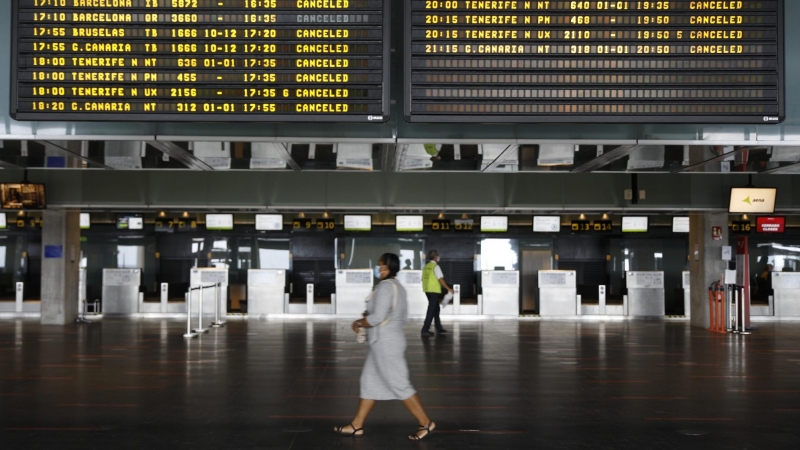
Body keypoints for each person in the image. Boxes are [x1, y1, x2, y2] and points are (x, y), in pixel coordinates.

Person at [333, 253, 436, 441]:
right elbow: (397, 315)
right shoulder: (397, 287)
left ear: (391, 268)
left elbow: (377, 317)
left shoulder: (386, 287)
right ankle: (357, 425)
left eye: (383, 266)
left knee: (399, 383)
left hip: (386, 344)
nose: (379, 269)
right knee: (369, 382)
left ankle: (426, 423)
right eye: (379, 265)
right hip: (385, 342)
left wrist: (359, 322)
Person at [420, 250, 453, 337]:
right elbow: (440, 279)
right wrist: (448, 288)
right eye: (437, 255)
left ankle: (438, 327)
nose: (438, 257)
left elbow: (422, 279)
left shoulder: (426, 267)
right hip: (433, 291)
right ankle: (425, 329)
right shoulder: (435, 267)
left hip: (427, 290)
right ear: (435, 257)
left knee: (436, 309)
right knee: (431, 310)